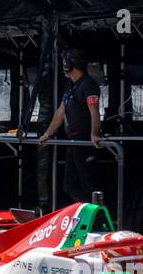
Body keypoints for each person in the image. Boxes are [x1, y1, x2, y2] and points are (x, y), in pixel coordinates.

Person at [37, 49, 101, 205]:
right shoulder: (71, 86)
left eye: (65, 62)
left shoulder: (89, 85)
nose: (63, 66)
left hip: (84, 140)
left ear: (70, 65)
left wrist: (94, 134)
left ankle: (98, 216)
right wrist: (48, 134)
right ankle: (90, 212)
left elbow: (95, 112)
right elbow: (60, 112)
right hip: (72, 140)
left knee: (88, 183)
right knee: (69, 185)